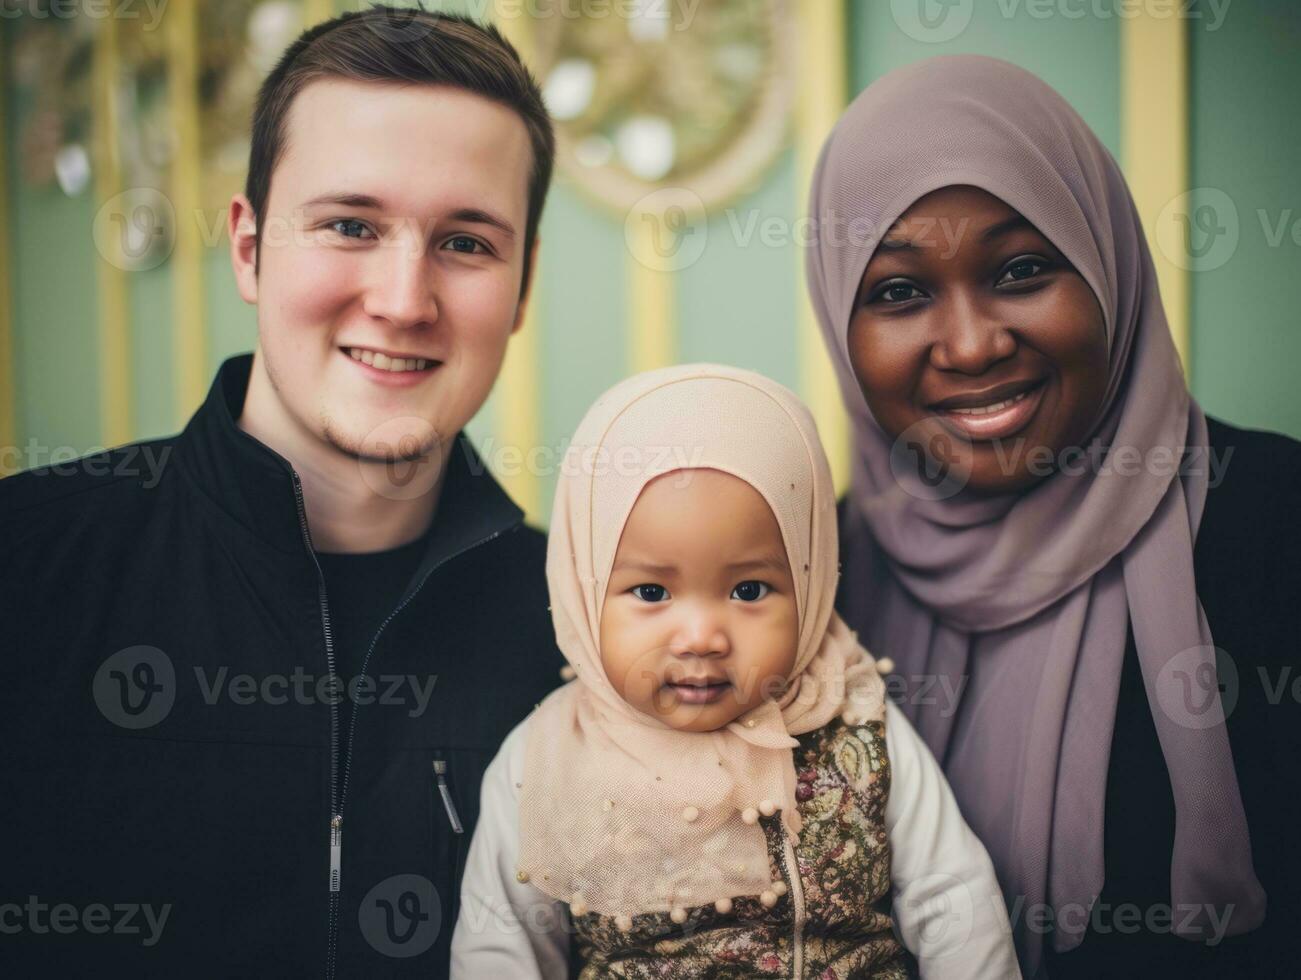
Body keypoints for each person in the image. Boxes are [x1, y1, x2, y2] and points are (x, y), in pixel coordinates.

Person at [0, 7, 562, 976]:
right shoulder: (22, 564)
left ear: (521, 288)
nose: (401, 298)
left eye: (464, 243)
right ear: (250, 247)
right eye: (350, 224)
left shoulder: (594, 624)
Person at [806, 54, 1301, 978]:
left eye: (1024, 269)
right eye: (900, 291)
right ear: (839, 319)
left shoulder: (1276, 522)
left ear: (1107, 260)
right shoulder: (800, 591)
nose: (972, 343)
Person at [450, 363, 1021, 979]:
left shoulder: (858, 720)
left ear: (808, 575)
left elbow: (954, 901)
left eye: (749, 589)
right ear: (584, 593)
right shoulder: (545, 762)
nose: (701, 638)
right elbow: (501, 949)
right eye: (649, 591)